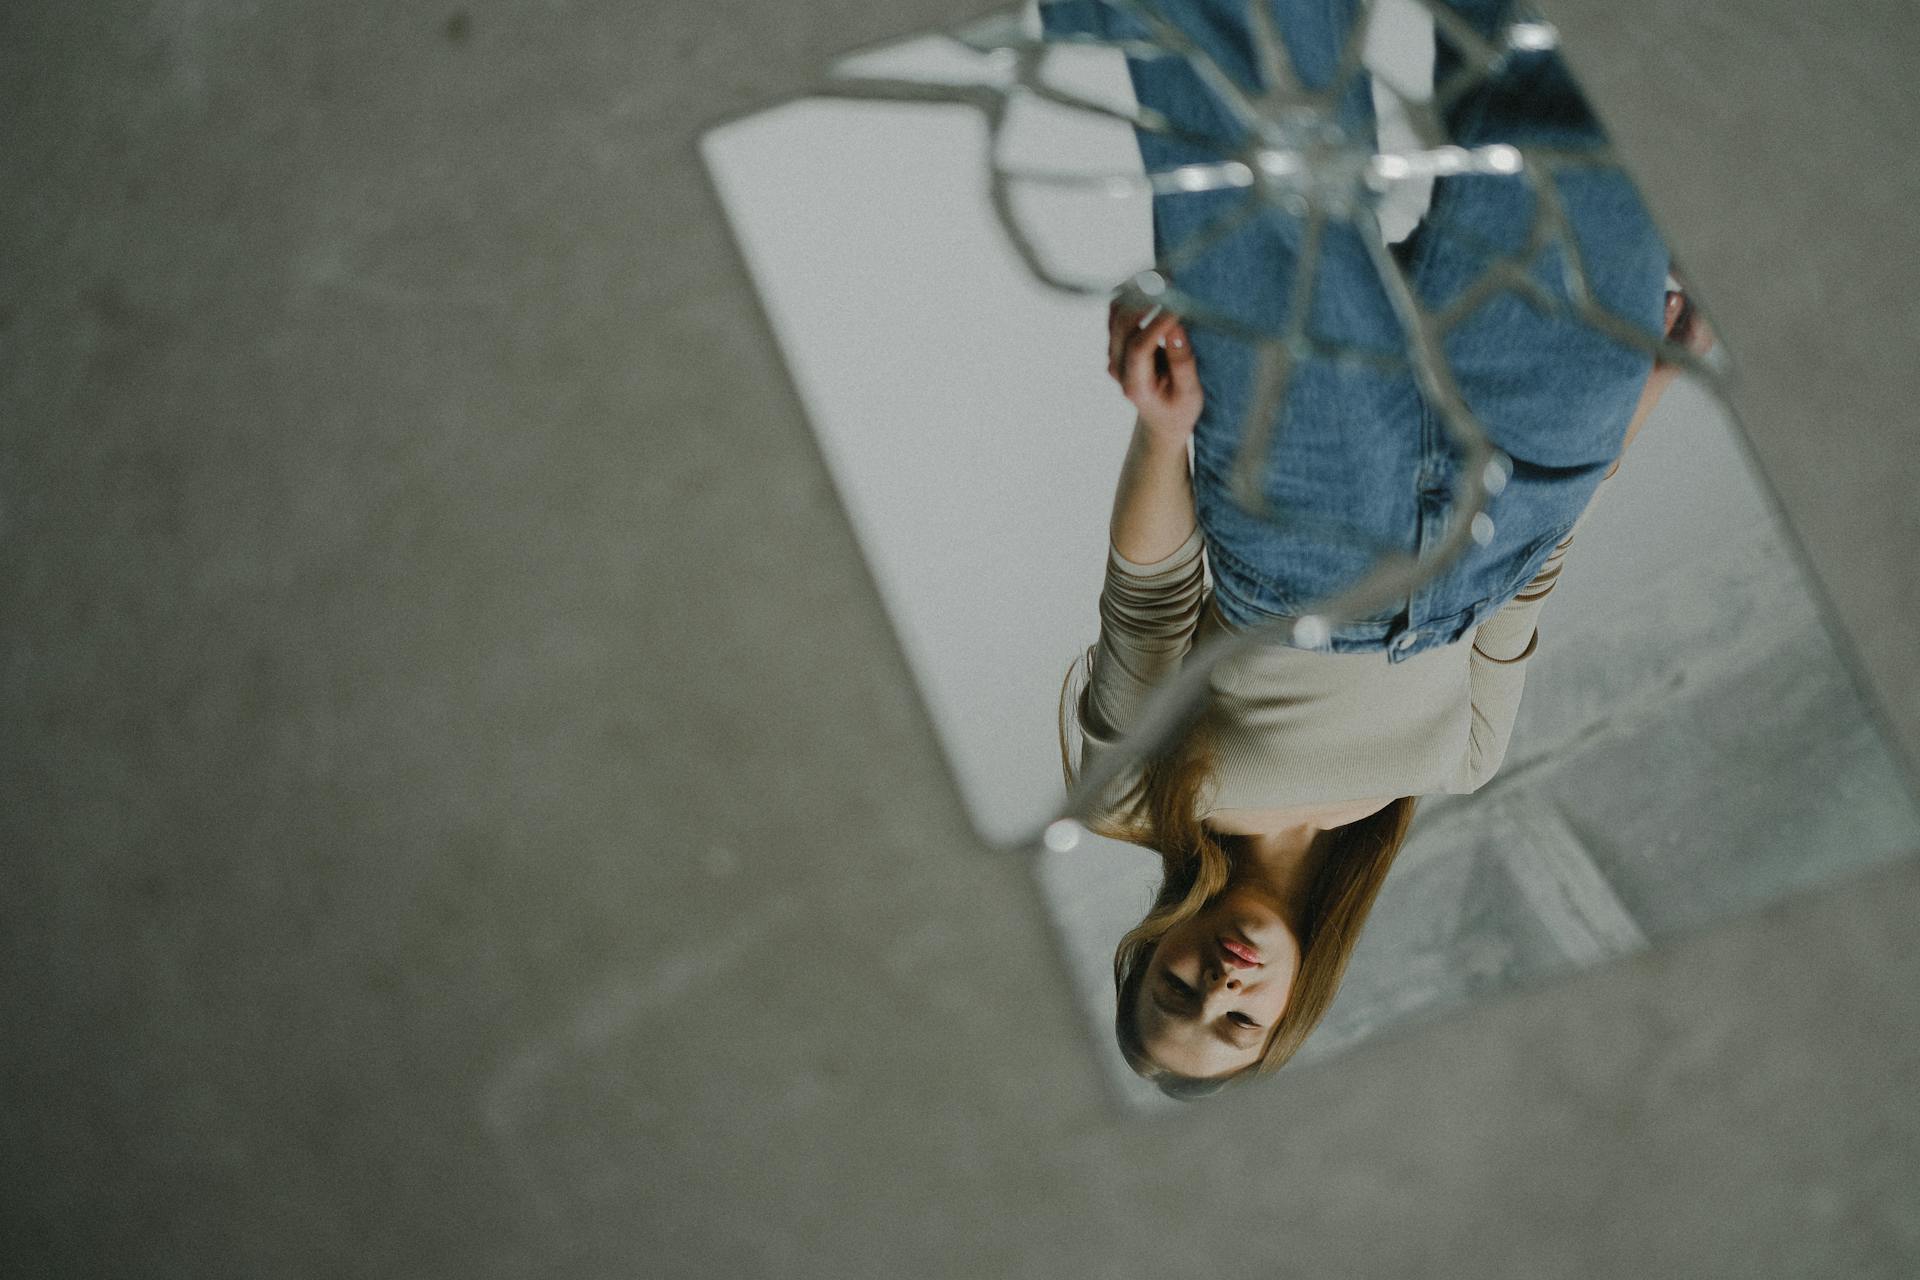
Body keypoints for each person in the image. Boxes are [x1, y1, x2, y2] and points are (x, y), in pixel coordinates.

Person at [1041, 0, 1714, 1097]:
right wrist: (1647, 390)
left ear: (1145, 951)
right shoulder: (1464, 760)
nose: (1219, 985)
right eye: (1238, 1020)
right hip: (1532, 466)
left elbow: (1149, 602)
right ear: (1290, 1010)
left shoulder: (1132, 798)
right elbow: (1531, 581)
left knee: (1254, 115)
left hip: (1307, 523)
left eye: (1176, 994)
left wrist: (1161, 431)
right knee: (1563, 93)